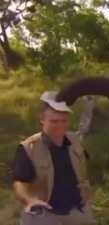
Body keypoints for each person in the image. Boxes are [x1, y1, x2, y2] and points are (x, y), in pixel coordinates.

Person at [13, 91, 95, 225]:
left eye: (64, 121)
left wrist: (85, 191)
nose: (60, 126)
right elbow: (19, 183)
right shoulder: (29, 147)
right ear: (42, 119)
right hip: (42, 211)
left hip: (77, 208)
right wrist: (30, 200)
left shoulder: (74, 141)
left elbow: (83, 168)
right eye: (54, 121)